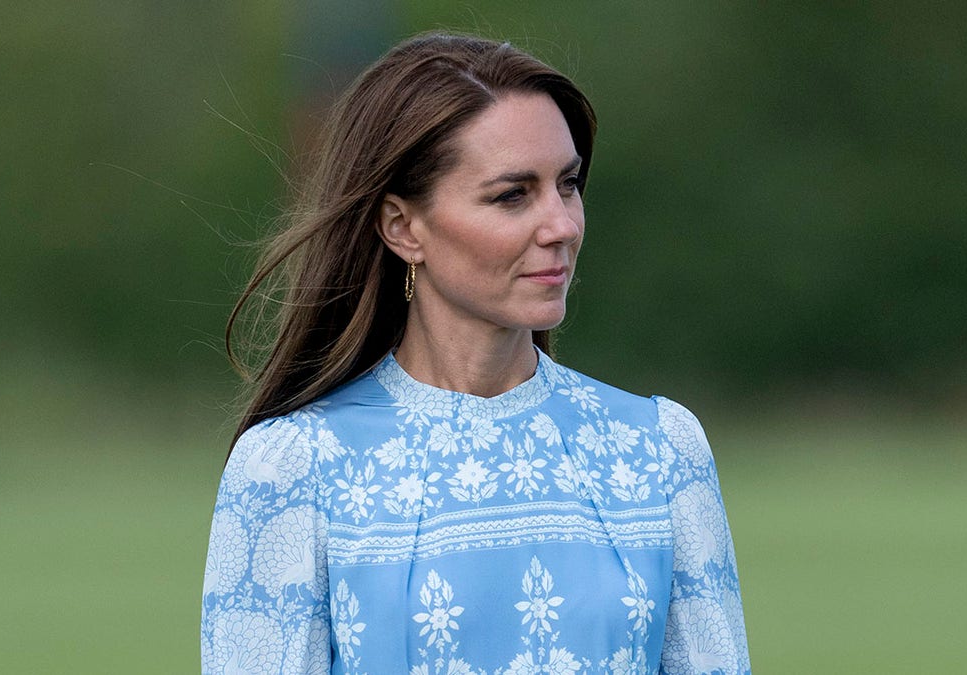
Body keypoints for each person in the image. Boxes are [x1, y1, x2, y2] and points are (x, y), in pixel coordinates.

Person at [201, 32, 750, 674]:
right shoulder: (294, 468)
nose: (563, 225)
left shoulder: (660, 451)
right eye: (512, 195)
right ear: (403, 227)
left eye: (567, 185)